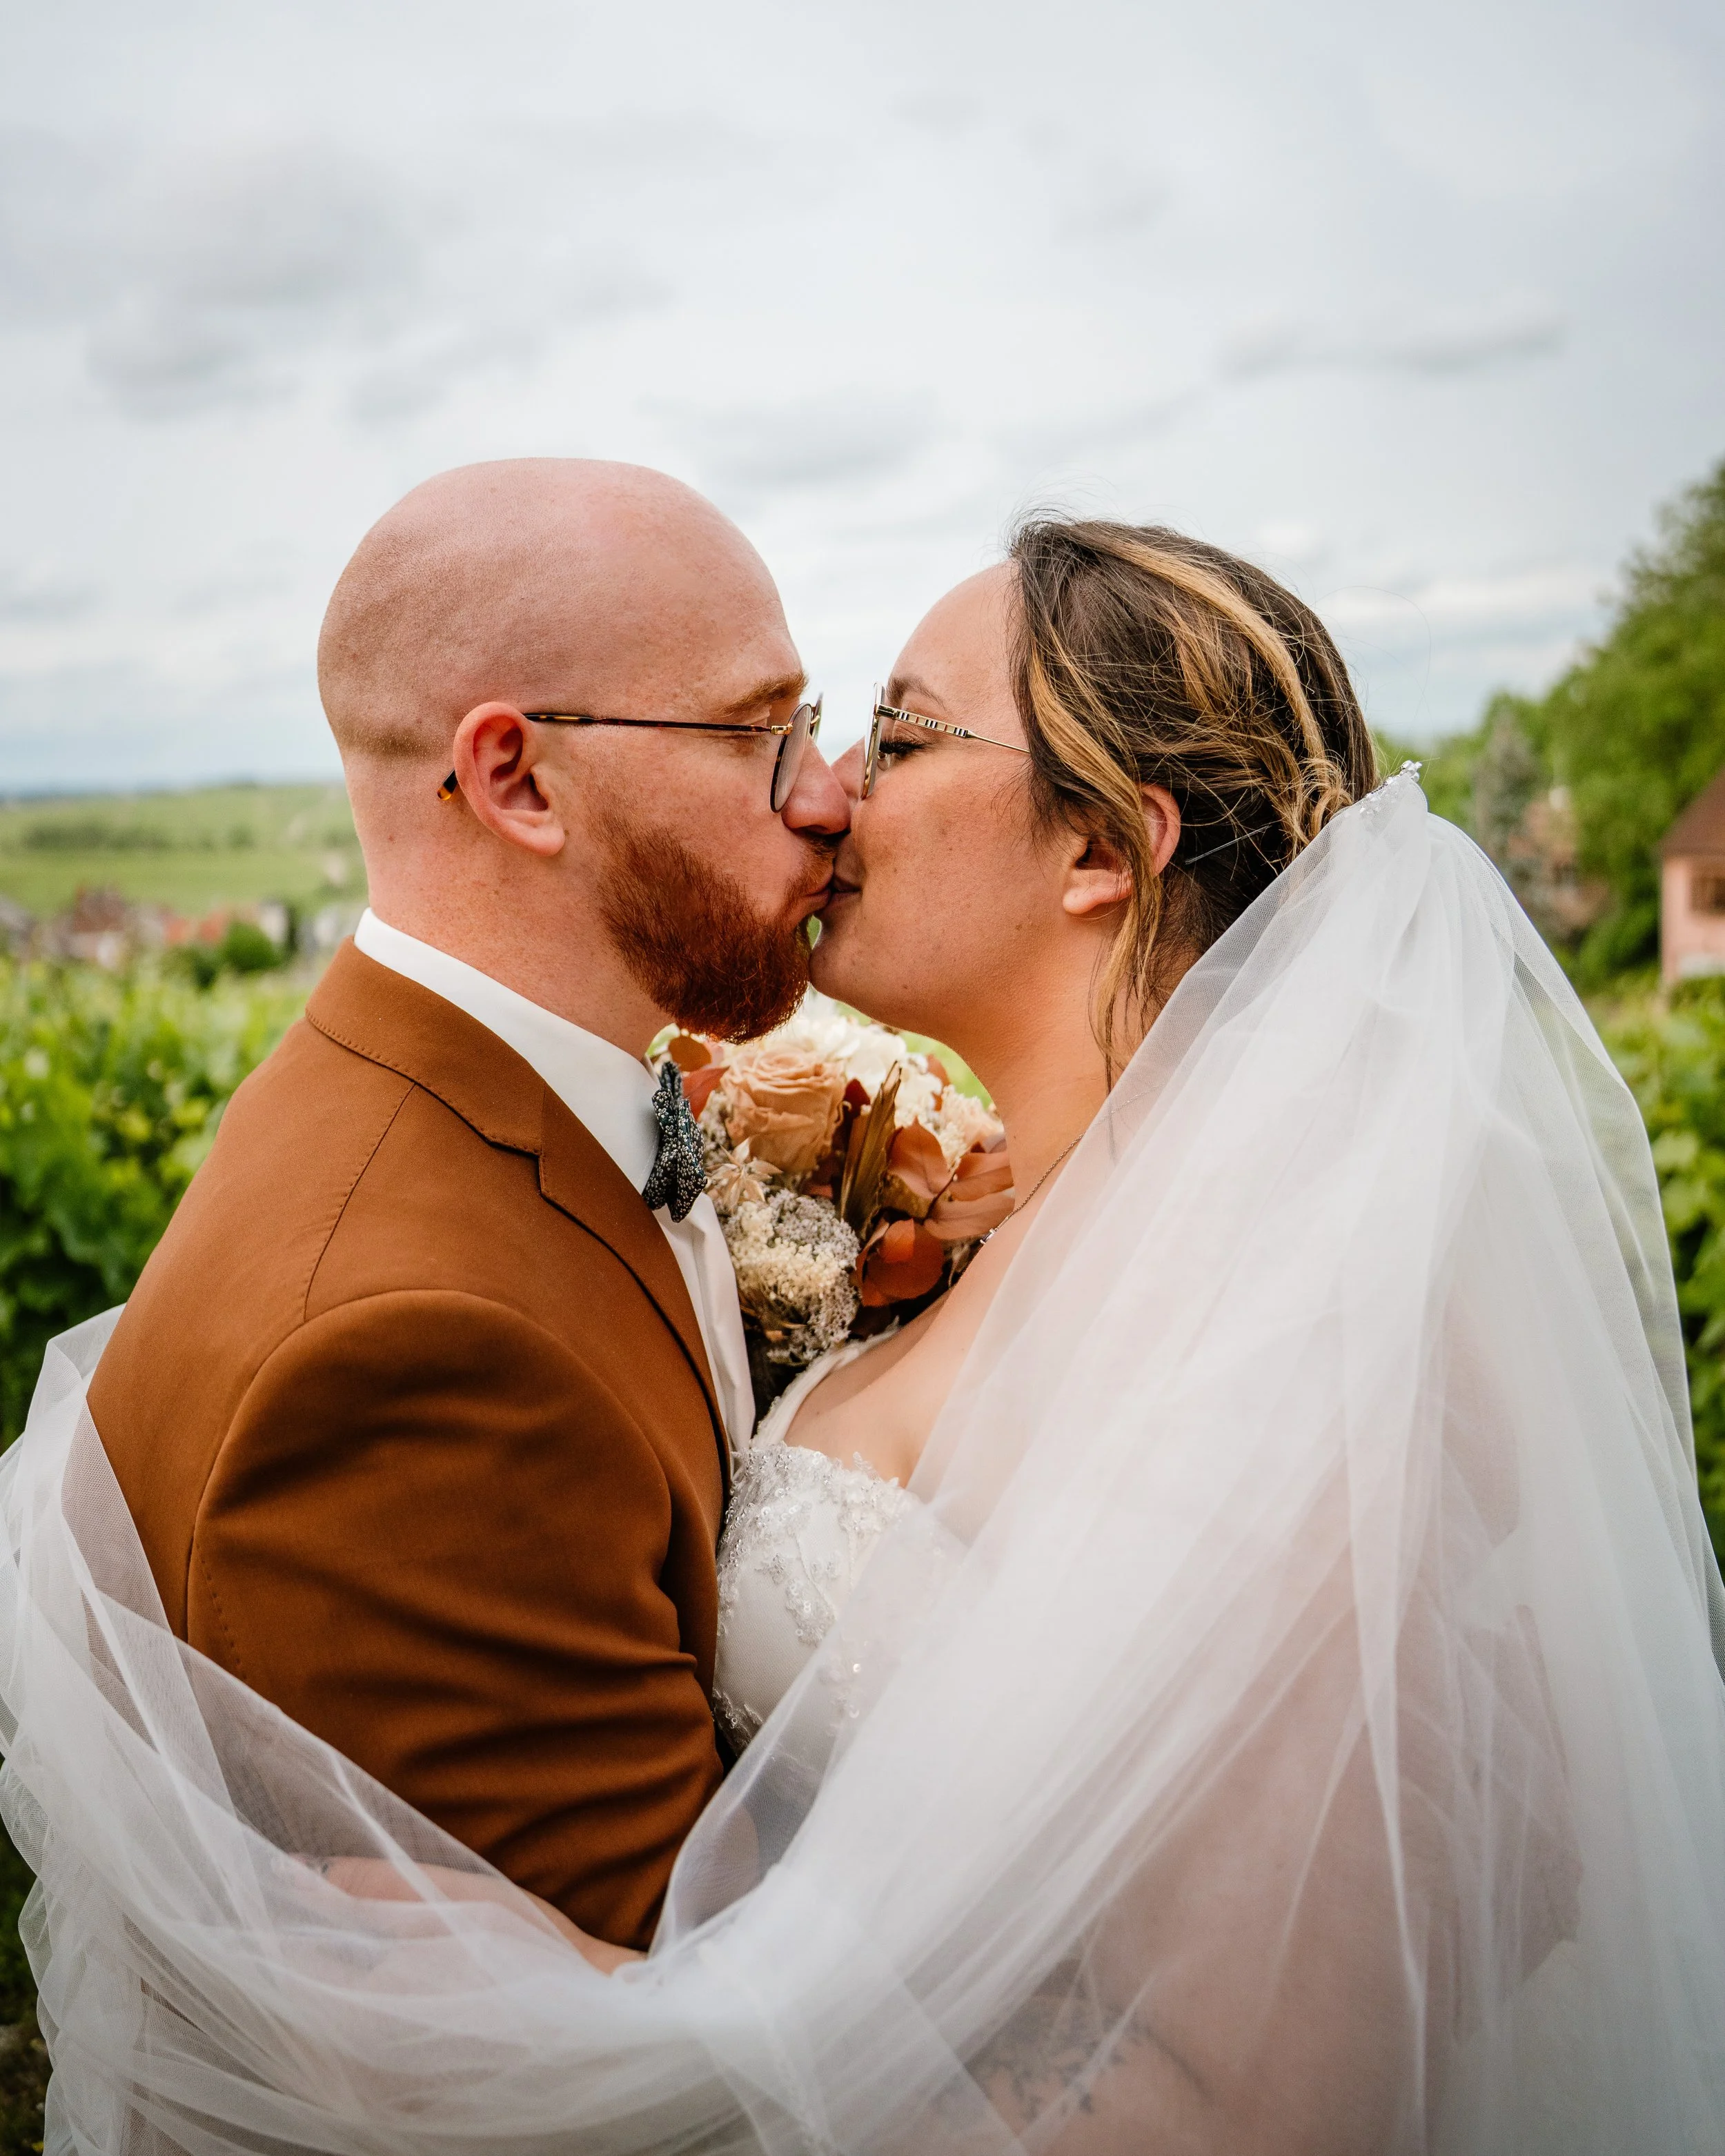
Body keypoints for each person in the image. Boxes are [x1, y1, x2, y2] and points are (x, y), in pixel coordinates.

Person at [3, 517, 1723, 2154]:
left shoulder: (1272, 1342)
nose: (827, 791)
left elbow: (1256, 2104)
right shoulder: (995, 1220)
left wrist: (620, 2020)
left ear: (1096, 850)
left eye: (894, 735)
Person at [81, 457, 849, 1954]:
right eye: (759, 732)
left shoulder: (456, 1084)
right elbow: (663, 2002)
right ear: (515, 780)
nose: (823, 795)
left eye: (806, 722)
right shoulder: (413, 1358)